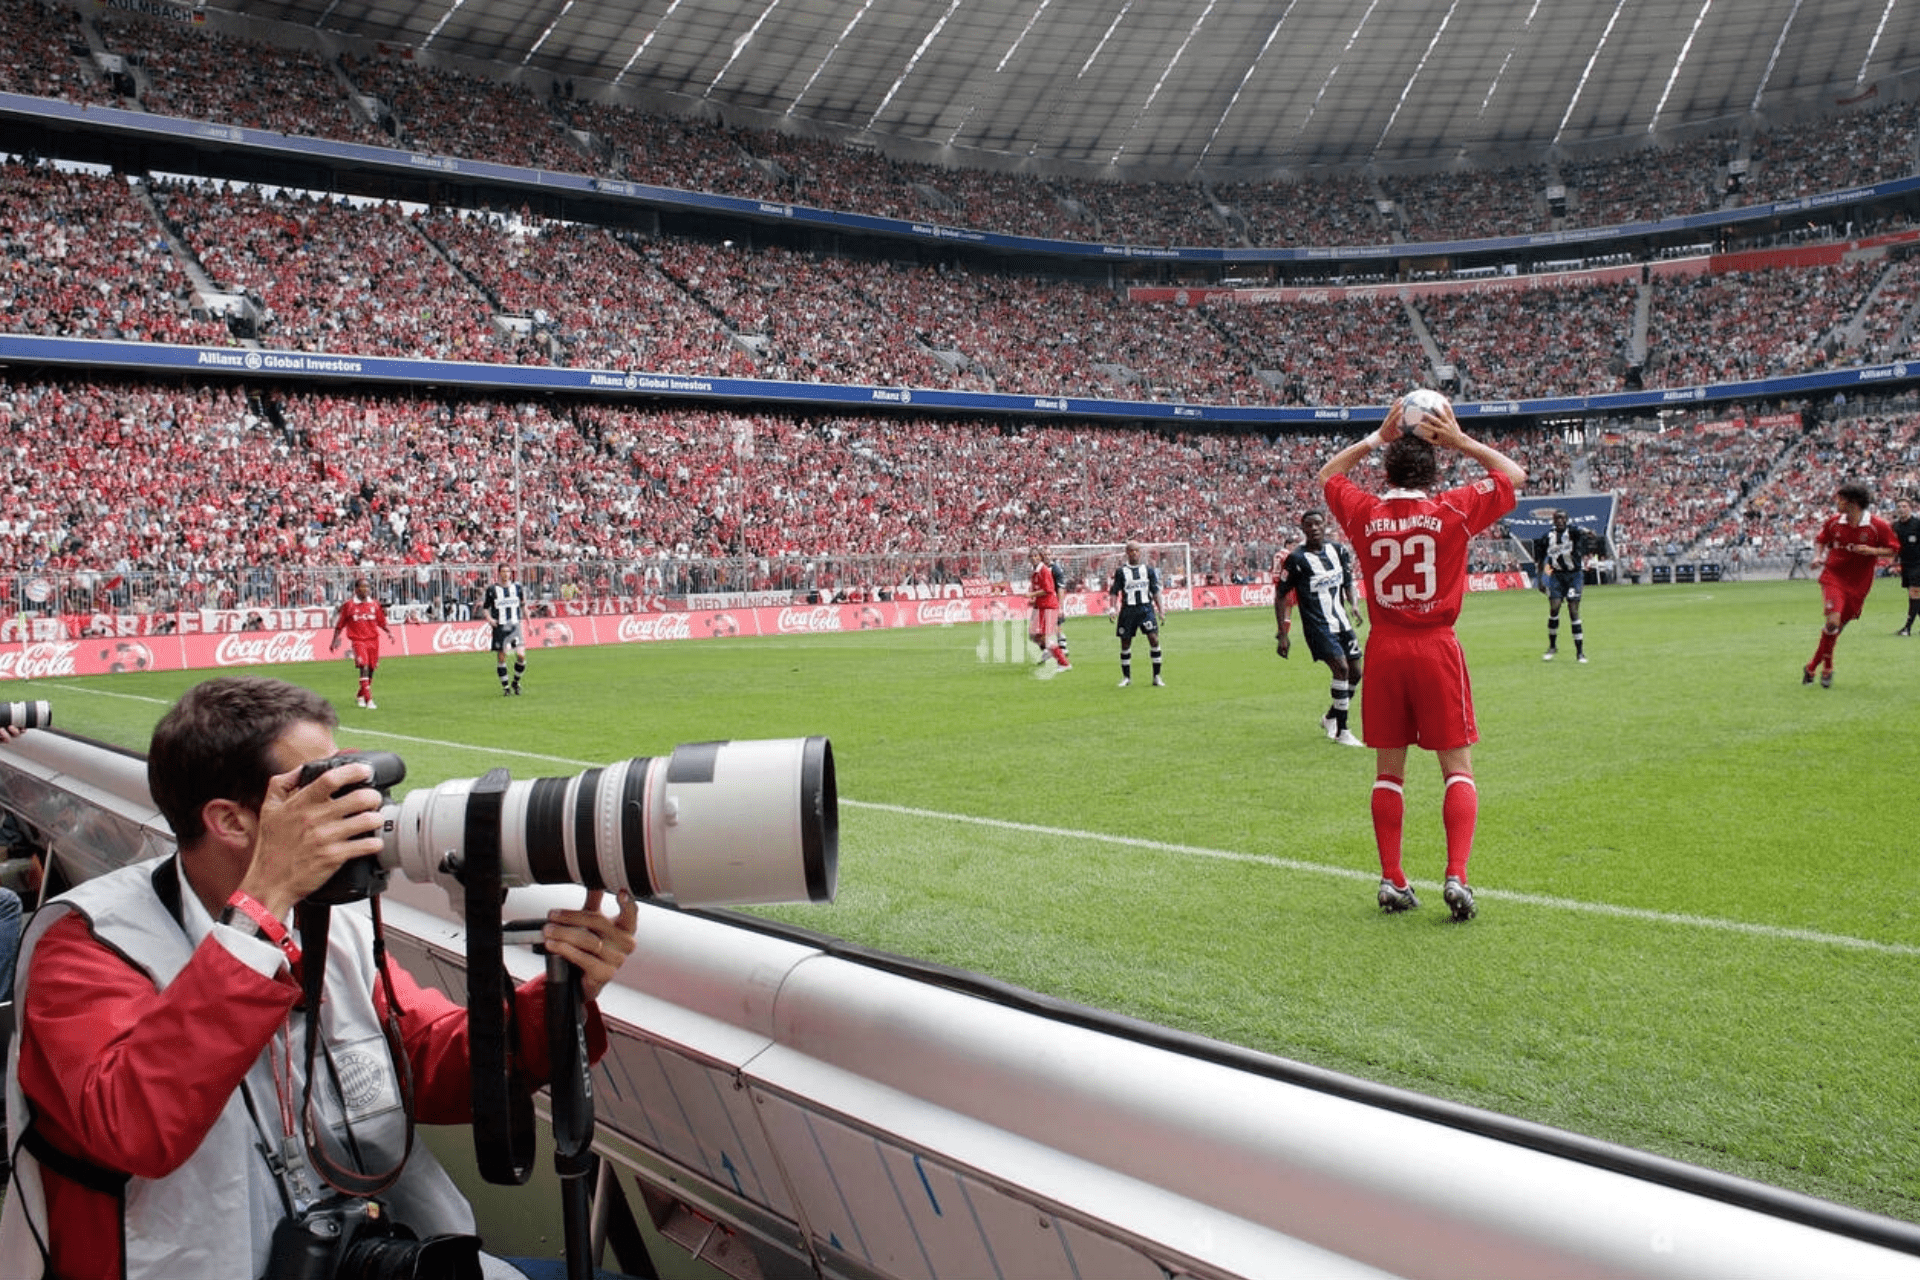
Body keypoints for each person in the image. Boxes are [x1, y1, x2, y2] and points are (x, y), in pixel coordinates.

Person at [0, 676, 639, 1279]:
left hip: (360, 1255)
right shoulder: (87, 942)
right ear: (229, 821)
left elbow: (423, 1060)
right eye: (317, 789)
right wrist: (258, 916)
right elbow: (131, 1129)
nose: (354, 805)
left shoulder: (330, 919)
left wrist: (560, 996)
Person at [1321, 396, 1526, 922]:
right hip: (1436, 647)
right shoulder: (1451, 507)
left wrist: (1374, 438)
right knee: (1456, 768)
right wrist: (1459, 439)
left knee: (1388, 773)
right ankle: (1455, 875)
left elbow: (1327, 475)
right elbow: (1514, 475)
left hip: (1385, 650)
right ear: (1433, 473)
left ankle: (1392, 880)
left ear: (1386, 472)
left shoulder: (1365, 513)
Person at [1274, 510, 1365, 745]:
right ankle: (1342, 731)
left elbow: (1348, 582)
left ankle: (1331, 717)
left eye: (1318, 523)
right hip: (1317, 626)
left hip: (1341, 622)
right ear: (1303, 529)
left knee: (1356, 672)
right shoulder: (1296, 559)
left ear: (1325, 525)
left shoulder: (1339, 551)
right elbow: (1281, 595)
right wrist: (1282, 634)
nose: (1314, 528)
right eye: (1309, 525)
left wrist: (1354, 605)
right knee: (1342, 670)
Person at [1802, 482, 1899, 686]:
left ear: (1852, 503)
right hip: (1833, 576)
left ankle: (1812, 667)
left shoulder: (1877, 525)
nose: (1836, 502)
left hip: (1859, 584)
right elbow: (1821, 540)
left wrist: (1871, 551)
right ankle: (1827, 668)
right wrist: (1818, 557)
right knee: (1832, 622)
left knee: (1835, 629)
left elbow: (1893, 550)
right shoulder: (1834, 522)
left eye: (1840, 499)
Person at [1530, 509, 1596, 663]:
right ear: (1553, 520)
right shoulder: (1547, 537)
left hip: (1574, 575)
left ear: (1566, 520)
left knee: (1573, 611)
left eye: (1562, 518)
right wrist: (1540, 581)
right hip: (1557, 576)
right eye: (1557, 518)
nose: (1559, 520)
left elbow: (1583, 531)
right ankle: (1552, 646)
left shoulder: (1573, 532)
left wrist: (1589, 532)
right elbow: (1541, 562)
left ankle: (1580, 652)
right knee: (1554, 608)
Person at [328, 576, 397, 709]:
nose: (365, 589)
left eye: (367, 587)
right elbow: (340, 624)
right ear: (356, 589)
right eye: (362, 587)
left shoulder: (375, 604)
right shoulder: (349, 605)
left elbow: (381, 622)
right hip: (358, 641)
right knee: (363, 666)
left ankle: (360, 695)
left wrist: (389, 632)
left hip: (373, 640)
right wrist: (334, 640)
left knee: (371, 669)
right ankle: (369, 700)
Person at [1107, 541, 1166, 687]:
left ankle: (1156, 676)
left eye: (1137, 550)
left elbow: (1155, 591)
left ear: (1140, 553)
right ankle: (1126, 677)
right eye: (1131, 551)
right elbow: (1114, 591)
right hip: (1128, 611)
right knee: (1125, 643)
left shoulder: (1148, 570)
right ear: (1127, 553)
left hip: (1146, 609)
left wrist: (1161, 610)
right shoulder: (1121, 572)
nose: (1134, 553)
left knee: (1154, 639)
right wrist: (1112, 608)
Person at [482, 563, 528, 696]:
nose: (506, 574)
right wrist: (490, 620)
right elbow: (485, 608)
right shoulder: (492, 589)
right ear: (499, 573)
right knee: (502, 657)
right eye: (503, 571)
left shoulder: (517, 588)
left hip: (515, 626)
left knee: (521, 655)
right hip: (500, 626)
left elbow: (523, 606)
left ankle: (516, 681)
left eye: (508, 571)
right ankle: (506, 687)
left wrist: (529, 623)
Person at [1026, 547, 1071, 674]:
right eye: (1031, 556)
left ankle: (1063, 662)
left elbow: (1049, 590)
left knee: (1046, 637)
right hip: (1041, 606)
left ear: (1040, 557)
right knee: (1034, 634)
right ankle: (1050, 651)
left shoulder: (1044, 570)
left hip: (1049, 607)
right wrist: (1034, 600)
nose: (1034, 558)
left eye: (1036, 556)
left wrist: (1032, 594)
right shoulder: (1035, 572)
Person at [1892, 492, 1920, 637]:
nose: (1902, 509)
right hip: (1906, 565)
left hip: (1918, 565)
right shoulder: (1895, 526)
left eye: (1904, 506)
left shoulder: (1917, 524)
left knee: (1914, 594)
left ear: (1910, 508)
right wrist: (1893, 561)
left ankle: (1907, 628)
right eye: (1899, 507)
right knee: (1916, 597)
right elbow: (1894, 546)